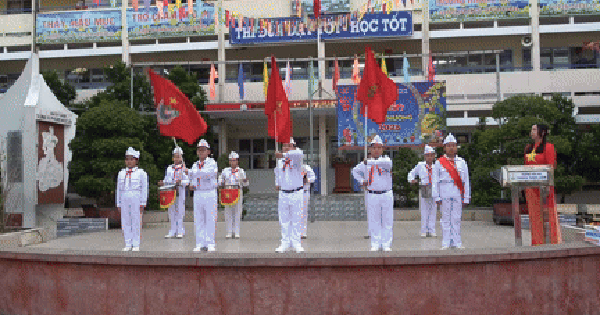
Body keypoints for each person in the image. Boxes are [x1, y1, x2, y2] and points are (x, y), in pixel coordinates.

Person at [351, 135, 394, 251]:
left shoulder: (386, 161)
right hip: (372, 194)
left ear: (382, 149)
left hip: (386, 194)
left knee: (387, 219)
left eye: (379, 148)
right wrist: (361, 180)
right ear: (370, 149)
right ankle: (375, 243)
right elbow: (354, 171)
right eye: (374, 148)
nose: (376, 150)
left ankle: (386, 244)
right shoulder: (366, 164)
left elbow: (384, 164)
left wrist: (368, 163)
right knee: (374, 219)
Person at [524, 124, 562, 245]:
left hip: (545, 187)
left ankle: (553, 242)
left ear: (543, 132)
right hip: (531, 187)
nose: (532, 131)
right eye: (532, 129)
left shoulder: (549, 147)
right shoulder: (528, 148)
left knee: (549, 214)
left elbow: (551, 166)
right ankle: (537, 242)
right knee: (534, 216)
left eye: (534, 129)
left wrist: (547, 185)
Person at [432, 134, 470, 250]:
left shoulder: (462, 162)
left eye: (453, 145)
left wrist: (466, 196)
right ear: (444, 148)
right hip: (444, 190)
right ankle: (446, 242)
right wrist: (436, 196)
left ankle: (457, 242)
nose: (451, 148)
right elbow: (435, 181)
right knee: (445, 218)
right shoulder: (439, 162)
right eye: (449, 146)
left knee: (457, 218)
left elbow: (466, 180)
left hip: (457, 191)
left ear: (456, 147)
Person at [274, 137, 305, 253]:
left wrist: (283, 154)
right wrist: (277, 183)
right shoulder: (280, 161)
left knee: (297, 218)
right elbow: (277, 172)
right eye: (284, 146)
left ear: (293, 147)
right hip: (283, 193)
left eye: (288, 145)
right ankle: (285, 242)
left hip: (296, 192)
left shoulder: (296, 158)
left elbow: (299, 153)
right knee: (284, 219)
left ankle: (296, 242)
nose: (286, 148)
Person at [188, 139, 218, 252]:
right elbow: (191, 178)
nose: (201, 152)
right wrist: (190, 183)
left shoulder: (212, 163)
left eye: (203, 150)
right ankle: (200, 242)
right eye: (199, 150)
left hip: (209, 192)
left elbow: (207, 173)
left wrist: (191, 172)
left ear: (208, 152)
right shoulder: (194, 165)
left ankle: (210, 243)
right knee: (199, 218)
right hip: (198, 192)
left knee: (210, 218)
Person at [116, 147, 148, 252]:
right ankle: (128, 243)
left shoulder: (141, 173)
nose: (129, 161)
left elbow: (144, 188)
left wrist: (143, 202)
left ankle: (136, 243)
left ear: (136, 160)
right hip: (124, 196)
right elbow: (119, 189)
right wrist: (118, 203)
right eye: (127, 159)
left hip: (136, 196)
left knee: (136, 220)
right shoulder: (121, 173)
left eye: (131, 159)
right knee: (125, 221)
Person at [158, 146, 189, 239]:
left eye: (179, 157)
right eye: (175, 156)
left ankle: (180, 230)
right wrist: (163, 182)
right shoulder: (169, 168)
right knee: (171, 212)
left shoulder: (184, 169)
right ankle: (172, 230)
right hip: (170, 192)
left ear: (181, 158)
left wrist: (180, 182)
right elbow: (166, 179)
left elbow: (187, 181)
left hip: (180, 191)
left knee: (180, 211)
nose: (177, 159)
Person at [408, 145, 438, 238]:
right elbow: (411, 173)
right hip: (424, 189)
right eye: (427, 155)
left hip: (434, 190)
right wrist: (411, 180)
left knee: (433, 210)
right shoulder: (420, 165)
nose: (429, 157)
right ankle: (424, 230)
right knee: (424, 211)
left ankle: (432, 230)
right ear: (425, 156)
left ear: (433, 156)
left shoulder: (437, 166)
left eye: (431, 155)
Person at [218, 151, 249, 239]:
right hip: (228, 193)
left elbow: (246, 184)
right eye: (231, 160)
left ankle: (236, 232)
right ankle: (229, 232)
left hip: (238, 192)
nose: (233, 162)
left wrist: (245, 181)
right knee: (228, 213)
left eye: (234, 160)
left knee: (237, 212)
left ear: (237, 161)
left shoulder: (241, 171)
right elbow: (220, 180)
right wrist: (221, 182)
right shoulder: (225, 171)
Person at [353, 152, 372, 240]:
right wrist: (362, 181)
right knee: (370, 212)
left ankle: (381, 233)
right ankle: (370, 233)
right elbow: (354, 171)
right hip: (369, 191)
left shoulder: (382, 163)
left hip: (381, 192)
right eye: (369, 155)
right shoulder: (364, 165)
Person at [300, 161, 315, 239]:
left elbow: (313, 178)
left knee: (303, 212)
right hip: (293, 193)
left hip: (303, 192)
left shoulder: (306, 167)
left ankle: (303, 232)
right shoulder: (290, 168)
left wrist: (306, 179)